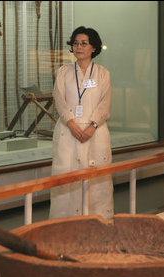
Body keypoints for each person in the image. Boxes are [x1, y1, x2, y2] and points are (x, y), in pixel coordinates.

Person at [50, 26, 114, 220]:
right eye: (76, 43)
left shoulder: (103, 74)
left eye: (84, 43)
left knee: (97, 182)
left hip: (95, 133)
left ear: (93, 47)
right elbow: (59, 100)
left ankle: (99, 224)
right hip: (68, 132)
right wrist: (72, 124)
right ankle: (64, 226)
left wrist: (92, 126)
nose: (79, 47)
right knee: (66, 181)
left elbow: (105, 103)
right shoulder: (64, 72)